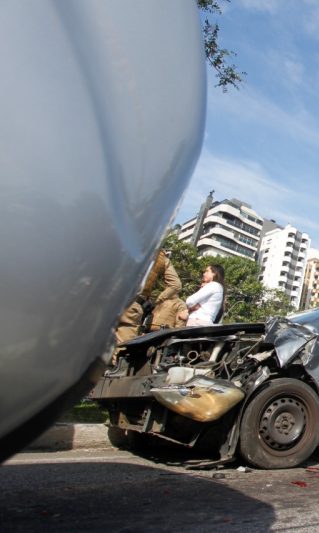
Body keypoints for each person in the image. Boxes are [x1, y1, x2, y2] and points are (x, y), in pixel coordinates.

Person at [0, 1, 205, 462]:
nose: (207, 274)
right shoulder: (145, 250)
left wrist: (158, 300)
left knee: (126, 346)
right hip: (120, 300)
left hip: (137, 308)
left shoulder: (160, 261)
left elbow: (172, 285)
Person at [115, 249, 182, 345]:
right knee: (123, 344)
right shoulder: (162, 257)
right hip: (133, 303)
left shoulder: (126, 245)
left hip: (111, 297)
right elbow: (176, 285)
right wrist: (157, 300)